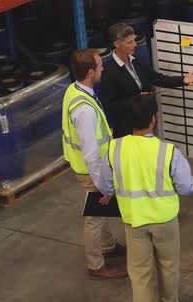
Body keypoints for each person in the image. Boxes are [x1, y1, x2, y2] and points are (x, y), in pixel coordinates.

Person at [97, 95, 193, 302]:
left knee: (140, 274)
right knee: (169, 266)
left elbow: (105, 187)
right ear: (153, 120)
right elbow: (187, 187)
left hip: (134, 221)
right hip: (165, 220)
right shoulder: (169, 152)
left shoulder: (114, 148)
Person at [62, 49, 128, 279]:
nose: (103, 69)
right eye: (100, 66)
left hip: (88, 166)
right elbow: (90, 153)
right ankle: (96, 265)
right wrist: (103, 183)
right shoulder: (85, 110)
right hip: (90, 170)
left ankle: (108, 246)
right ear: (90, 72)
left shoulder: (75, 90)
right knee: (94, 218)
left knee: (100, 213)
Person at [99, 22, 193, 138]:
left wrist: (182, 80)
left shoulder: (136, 60)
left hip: (145, 126)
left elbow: (157, 78)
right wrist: (136, 100)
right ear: (116, 44)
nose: (135, 45)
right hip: (126, 130)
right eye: (130, 42)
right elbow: (108, 105)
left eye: (134, 40)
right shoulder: (109, 71)